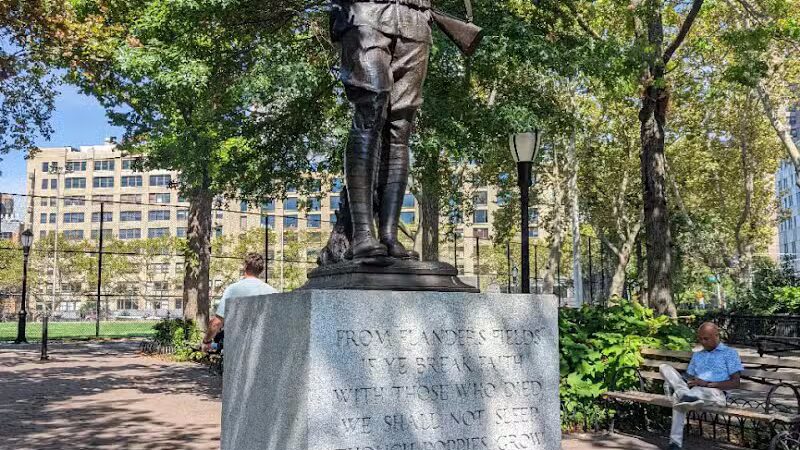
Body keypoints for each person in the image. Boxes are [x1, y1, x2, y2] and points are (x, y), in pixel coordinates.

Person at [330, 0, 433, 260]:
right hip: (366, 11)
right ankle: (363, 235)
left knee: (401, 124)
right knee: (371, 106)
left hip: (415, 16)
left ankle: (389, 236)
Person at [659, 322, 743, 450]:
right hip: (694, 390)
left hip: (716, 393)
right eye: (700, 338)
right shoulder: (698, 355)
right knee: (664, 367)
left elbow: (735, 382)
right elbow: (688, 376)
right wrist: (681, 380)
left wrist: (708, 384)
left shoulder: (729, 353)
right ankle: (686, 395)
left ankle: (675, 444)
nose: (702, 342)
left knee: (677, 396)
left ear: (716, 336)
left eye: (706, 339)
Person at [201, 253, 277, 351]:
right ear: (261, 270)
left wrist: (206, 341)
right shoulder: (273, 292)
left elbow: (217, 323)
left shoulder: (233, 290)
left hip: (238, 351)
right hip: (264, 349)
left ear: (245, 267)